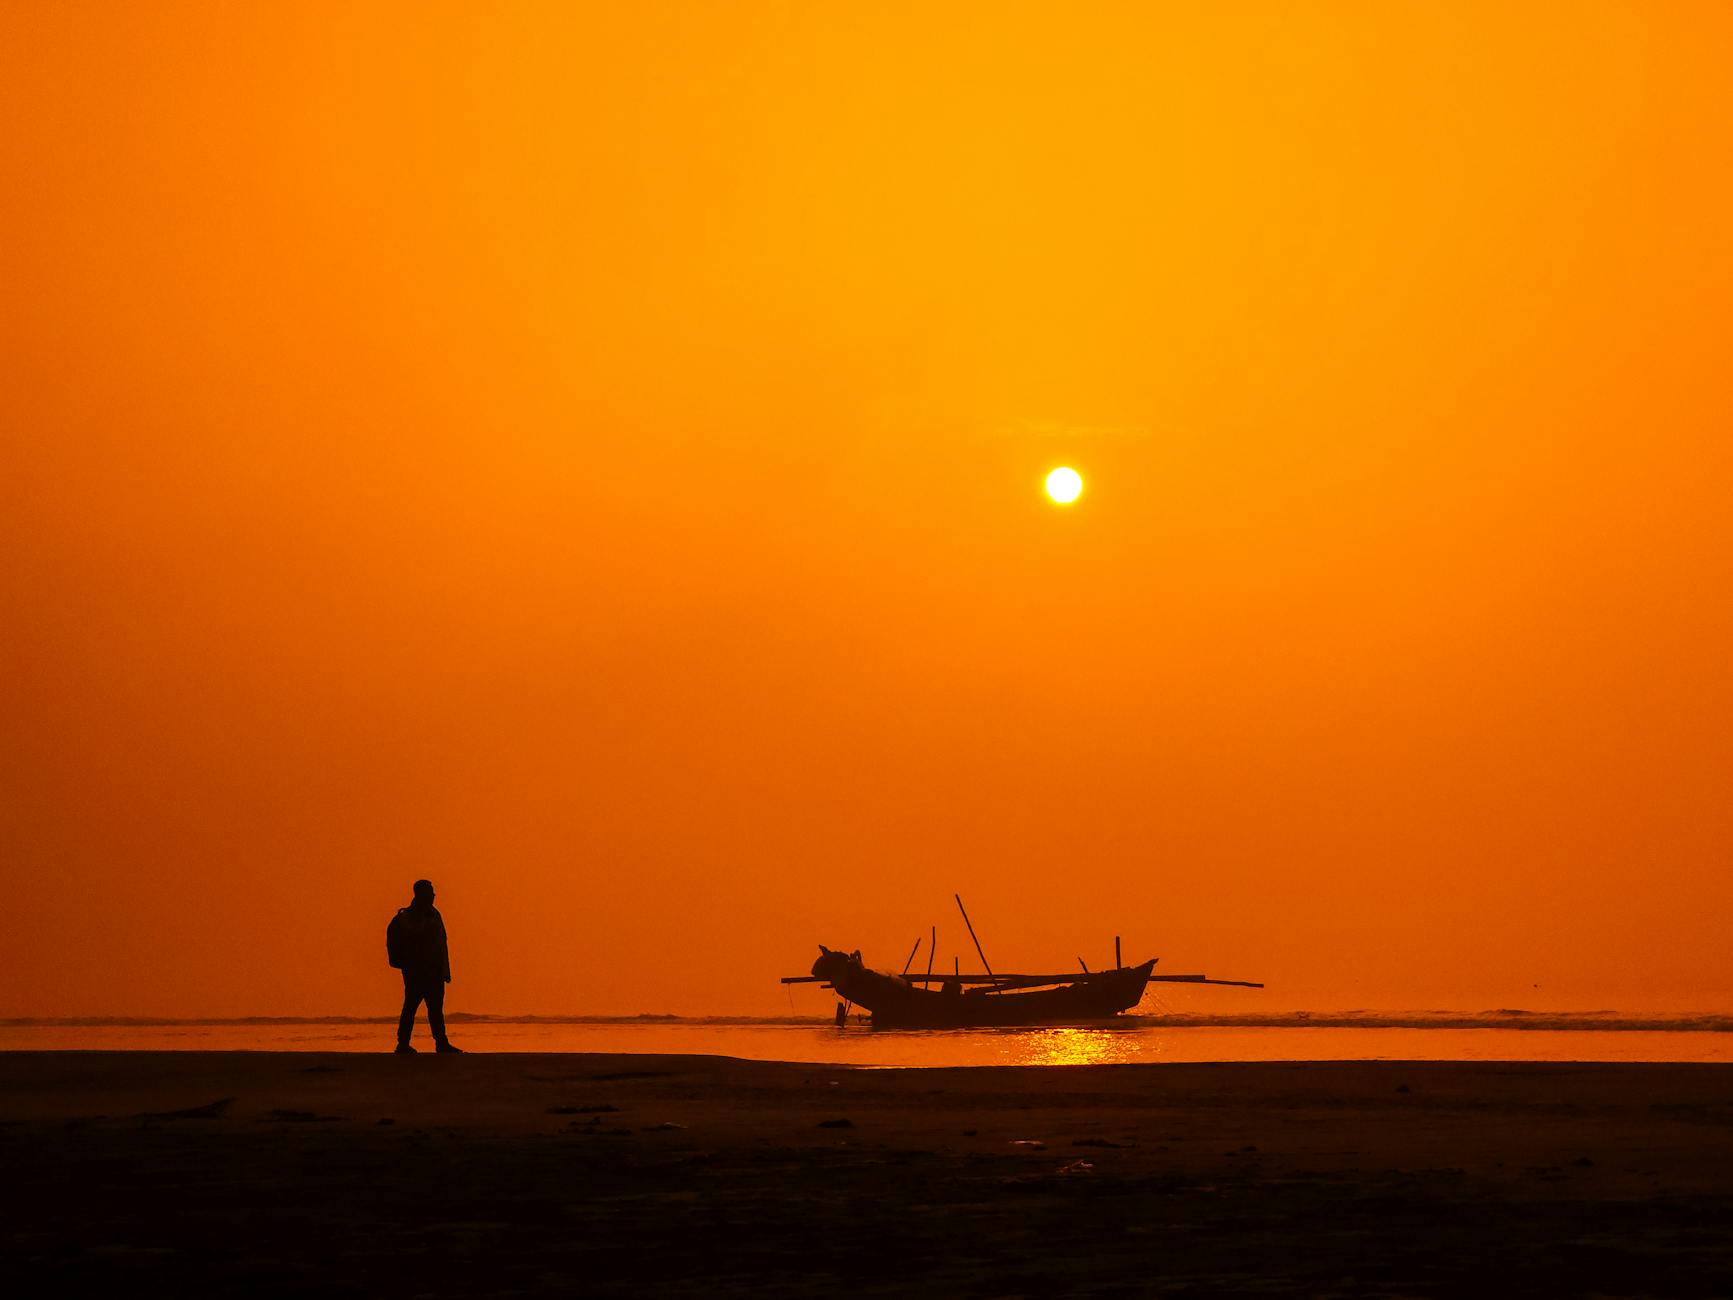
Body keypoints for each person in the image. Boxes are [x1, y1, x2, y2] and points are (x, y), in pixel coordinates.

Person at [387, 879, 462, 1054]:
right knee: (411, 1007)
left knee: (435, 1009)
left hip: (434, 971)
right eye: (430, 892)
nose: (434, 895)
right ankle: (403, 1044)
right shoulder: (408, 917)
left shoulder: (434, 915)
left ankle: (441, 1042)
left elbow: (442, 943)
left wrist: (445, 970)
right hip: (415, 972)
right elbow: (412, 938)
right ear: (421, 894)